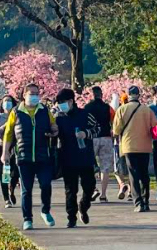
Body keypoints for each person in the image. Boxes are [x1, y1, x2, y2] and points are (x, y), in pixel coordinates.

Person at [2, 83, 59, 231]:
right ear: (24, 95)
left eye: (37, 93)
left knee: (46, 185)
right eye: (31, 93)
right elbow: (8, 134)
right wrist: (5, 152)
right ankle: (27, 219)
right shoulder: (16, 112)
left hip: (42, 156)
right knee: (26, 190)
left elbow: (54, 126)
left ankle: (45, 210)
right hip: (23, 156)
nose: (35, 96)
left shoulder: (44, 110)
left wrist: (54, 131)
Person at [56, 88, 99, 228]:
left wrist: (86, 134)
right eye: (59, 103)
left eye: (62, 102)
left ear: (70, 101)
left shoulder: (85, 114)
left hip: (85, 157)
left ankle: (84, 206)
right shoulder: (58, 118)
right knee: (70, 190)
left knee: (89, 186)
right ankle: (71, 217)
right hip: (67, 158)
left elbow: (98, 128)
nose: (60, 105)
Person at [112, 86, 157, 212]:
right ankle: (146, 201)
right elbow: (155, 127)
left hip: (129, 146)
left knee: (133, 174)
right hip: (145, 145)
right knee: (144, 174)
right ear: (139, 95)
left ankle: (138, 203)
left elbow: (116, 130)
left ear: (128, 95)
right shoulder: (147, 110)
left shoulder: (122, 109)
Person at [84, 86, 115, 202]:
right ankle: (103, 194)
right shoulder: (108, 108)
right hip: (106, 137)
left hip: (92, 138)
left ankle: (94, 189)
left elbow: (84, 122)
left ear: (92, 95)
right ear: (101, 95)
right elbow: (114, 121)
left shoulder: (87, 108)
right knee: (105, 167)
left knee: (89, 165)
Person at [0, 94, 20, 208]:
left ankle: (11, 188)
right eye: (5, 101)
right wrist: (6, 125)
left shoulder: (17, 115)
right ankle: (6, 199)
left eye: (9, 101)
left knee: (16, 172)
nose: (7, 103)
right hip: (2, 147)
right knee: (5, 173)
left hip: (15, 146)